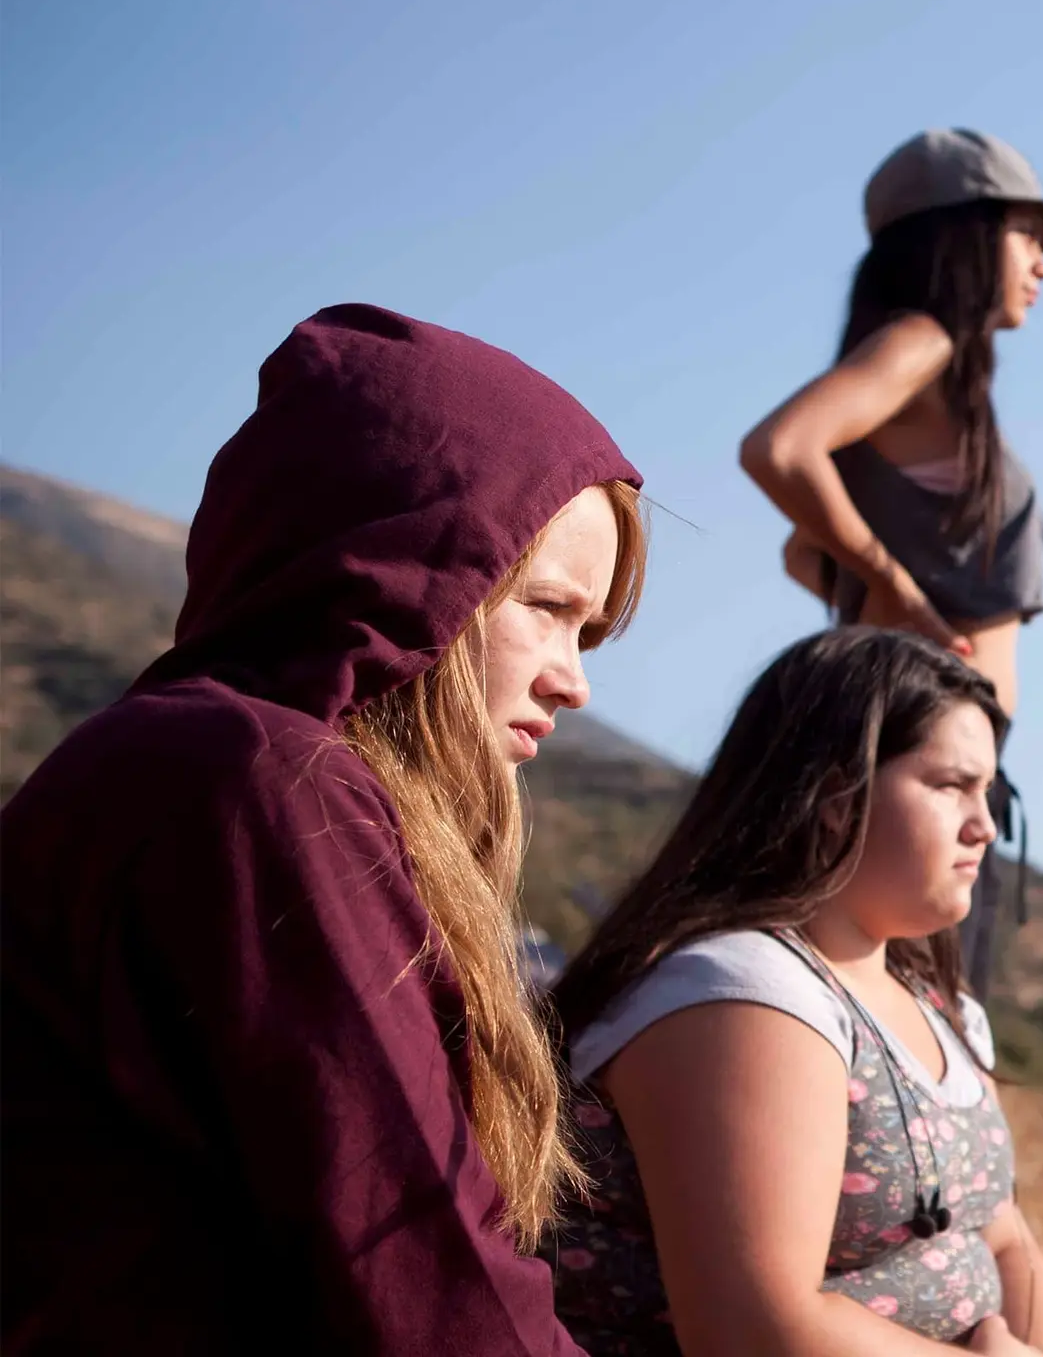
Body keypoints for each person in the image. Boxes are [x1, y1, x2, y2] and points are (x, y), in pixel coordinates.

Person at [0, 304, 648, 1352]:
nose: (572, 683)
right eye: (544, 606)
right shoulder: (259, 782)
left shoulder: (208, 762)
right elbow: (429, 1287)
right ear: (401, 563)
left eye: (592, 634)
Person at [543, 627, 1043, 1357]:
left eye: (989, 793)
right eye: (951, 785)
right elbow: (750, 1329)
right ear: (835, 795)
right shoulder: (739, 997)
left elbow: (1007, 1239)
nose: (985, 827)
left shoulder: (937, 1006)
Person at [739, 129, 1043, 992]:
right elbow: (779, 449)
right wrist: (900, 596)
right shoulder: (922, 344)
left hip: (931, 759)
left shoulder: (942, 384)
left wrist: (882, 588)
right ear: (961, 236)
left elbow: (804, 553)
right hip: (911, 758)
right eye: (1026, 234)